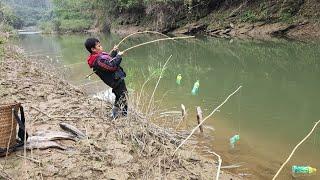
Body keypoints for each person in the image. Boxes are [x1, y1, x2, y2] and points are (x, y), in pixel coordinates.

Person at [84, 38, 128, 118]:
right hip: (115, 81)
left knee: (120, 96)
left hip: (117, 79)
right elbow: (112, 66)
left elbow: (109, 60)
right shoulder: (98, 61)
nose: (101, 47)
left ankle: (115, 114)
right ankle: (124, 116)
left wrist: (114, 52)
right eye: (99, 46)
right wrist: (119, 56)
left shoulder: (99, 57)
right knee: (124, 97)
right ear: (93, 49)